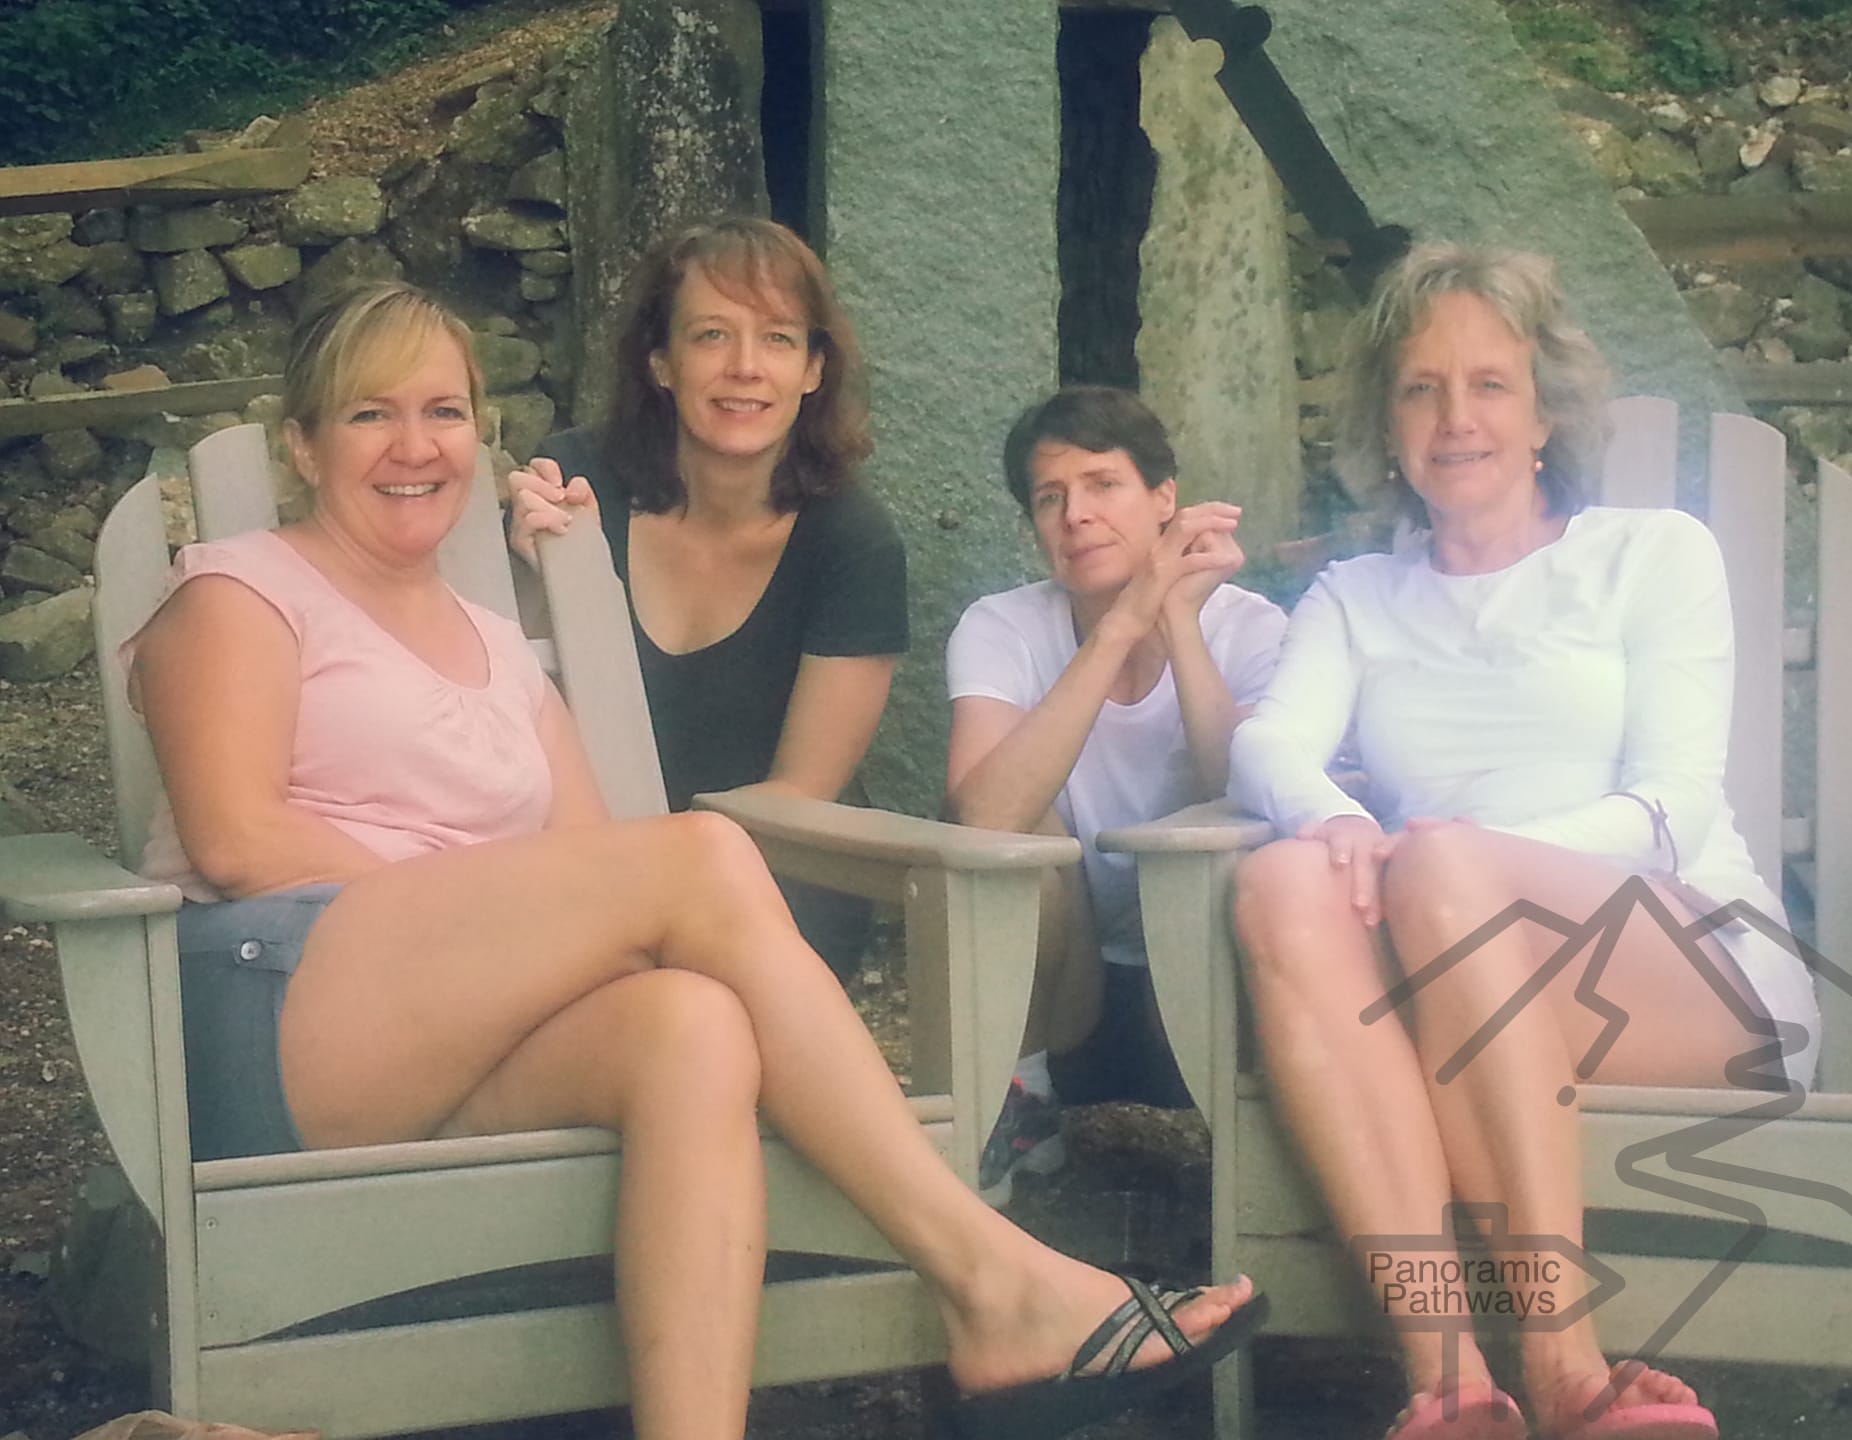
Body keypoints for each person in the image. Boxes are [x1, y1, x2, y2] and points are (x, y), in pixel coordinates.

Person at [124, 281, 1264, 1440]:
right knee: (697, 857)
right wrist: (492, 909)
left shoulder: (492, 643)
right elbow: (238, 838)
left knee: (690, 1027)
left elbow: (579, 856)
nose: (416, 447)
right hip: (275, 1014)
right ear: (302, 445)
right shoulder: (241, 589)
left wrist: (515, 930)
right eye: (371, 416)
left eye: (446, 413)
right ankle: (992, 1277)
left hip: (453, 1035)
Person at [1228, 243, 1819, 1440]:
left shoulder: (1649, 555)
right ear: (1385, 421)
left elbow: (1673, 810)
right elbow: (1268, 749)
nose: (1456, 419)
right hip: (1465, 990)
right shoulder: (1355, 598)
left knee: (1442, 867)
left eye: (1489, 384)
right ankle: (1449, 1383)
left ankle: (1565, 1371)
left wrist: (1469, 859)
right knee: (1284, 881)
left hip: (1691, 980)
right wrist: (1342, 821)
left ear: (1544, 410)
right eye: (1421, 388)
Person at [506, 216, 904, 976]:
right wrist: (533, 573)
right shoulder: (574, 481)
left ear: (814, 370)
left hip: (769, 886)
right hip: (579, 869)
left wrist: (659, 878)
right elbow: (506, 710)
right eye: (712, 336)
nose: (745, 367)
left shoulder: (853, 542)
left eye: (780, 339)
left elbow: (802, 794)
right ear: (661, 362)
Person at [946, 386, 1288, 1204]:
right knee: (1019, 809)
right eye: (1050, 498)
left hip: (1210, 988)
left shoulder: (1256, 627)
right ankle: (1020, 1105)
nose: (1076, 516)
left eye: (1103, 485)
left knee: (1271, 832)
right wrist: (1118, 629)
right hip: (1063, 998)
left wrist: (1178, 626)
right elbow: (983, 816)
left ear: (1164, 499)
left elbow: (1245, 793)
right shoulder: (1001, 626)